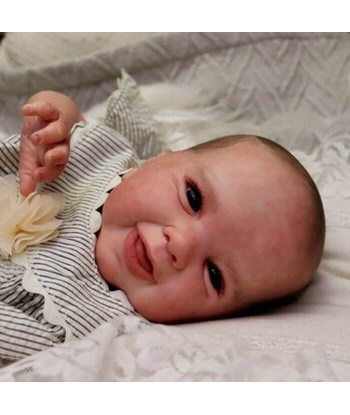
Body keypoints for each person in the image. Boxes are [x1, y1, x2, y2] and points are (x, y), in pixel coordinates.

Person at [0, 73, 325, 360]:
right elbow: (67, 115)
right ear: (160, 159)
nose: (181, 244)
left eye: (214, 275)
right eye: (193, 198)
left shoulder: (94, 326)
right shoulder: (105, 157)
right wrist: (49, 122)